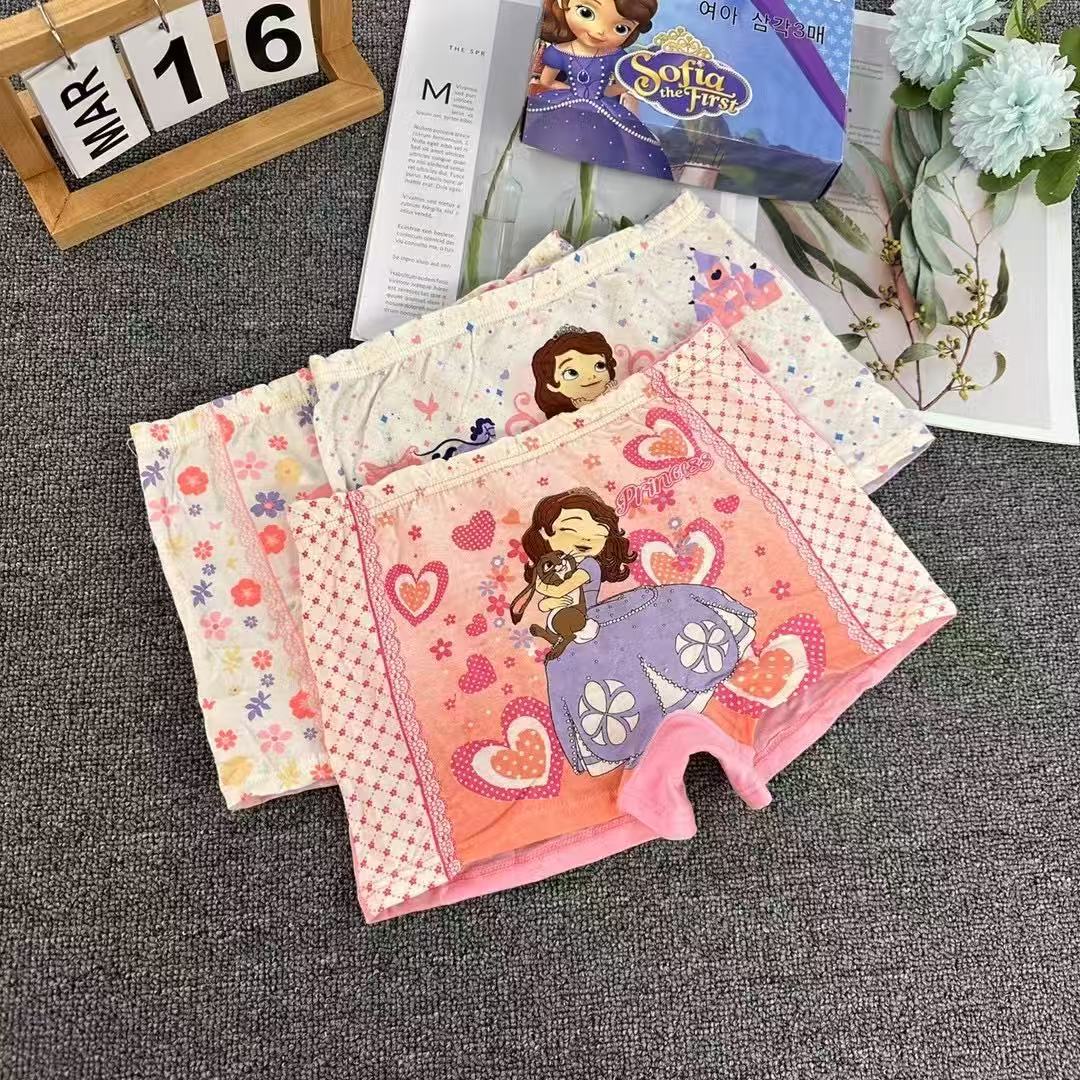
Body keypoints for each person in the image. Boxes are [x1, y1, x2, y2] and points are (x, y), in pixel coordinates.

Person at [511, 488, 756, 775]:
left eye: (596, 528)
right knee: (576, 669)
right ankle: (632, 732)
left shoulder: (588, 565)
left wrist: (545, 586)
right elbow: (551, 602)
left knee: (648, 642)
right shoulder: (565, 565)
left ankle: (673, 704)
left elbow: (561, 590)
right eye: (569, 530)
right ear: (546, 537)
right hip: (581, 626)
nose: (585, 537)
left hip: (597, 619)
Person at [523, 0, 673, 180]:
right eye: (586, 13)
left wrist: (601, 93)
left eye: (621, 28)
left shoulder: (615, 56)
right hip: (565, 105)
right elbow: (547, 81)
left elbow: (623, 85)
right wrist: (575, 92)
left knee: (609, 156)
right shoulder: (559, 52)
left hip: (603, 109)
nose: (600, 31)